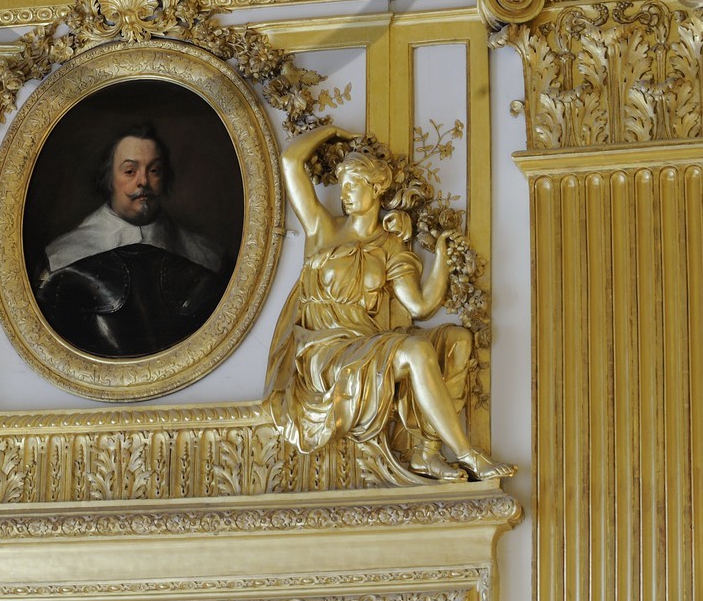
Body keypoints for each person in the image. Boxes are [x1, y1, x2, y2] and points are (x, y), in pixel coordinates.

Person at [266, 125, 513, 482]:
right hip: (324, 350)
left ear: (376, 187)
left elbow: (420, 307)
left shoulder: (391, 245)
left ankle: (426, 451)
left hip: (365, 342)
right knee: (415, 350)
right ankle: (468, 455)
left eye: (353, 185)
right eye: (342, 185)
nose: (344, 194)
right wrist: (333, 131)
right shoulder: (322, 229)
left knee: (457, 339)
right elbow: (291, 159)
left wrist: (441, 256)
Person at [34, 122, 228, 358]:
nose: (143, 181)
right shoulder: (60, 257)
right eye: (130, 171)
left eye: (154, 170)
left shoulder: (208, 258)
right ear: (109, 179)